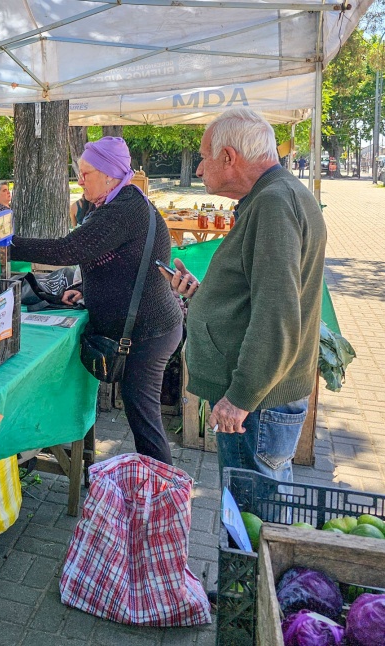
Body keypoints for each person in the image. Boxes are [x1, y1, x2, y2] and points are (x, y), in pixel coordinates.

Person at [161, 108, 326, 483]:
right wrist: (205, 296)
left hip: (257, 403)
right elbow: (264, 293)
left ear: (228, 157)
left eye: (204, 157)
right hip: (262, 397)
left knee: (253, 525)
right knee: (255, 520)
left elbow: (276, 314)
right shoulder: (276, 195)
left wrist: (240, 398)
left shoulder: (273, 202)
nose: (200, 170)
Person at [2, 137, 184, 465]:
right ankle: (158, 493)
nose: (80, 179)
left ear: (111, 175)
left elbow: (68, 250)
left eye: (86, 173)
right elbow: (121, 261)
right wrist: (86, 288)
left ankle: (163, 501)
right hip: (148, 328)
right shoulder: (121, 203)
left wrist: (5, 245)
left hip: (149, 332)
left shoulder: (123, 209)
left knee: (144, 420)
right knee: (141, 414)